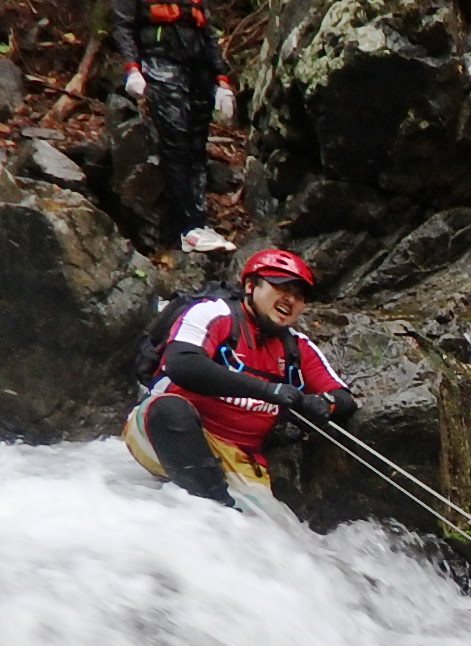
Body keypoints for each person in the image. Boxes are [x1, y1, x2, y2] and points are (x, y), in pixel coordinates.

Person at [123, 249, 353, 506]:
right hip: (164, 432)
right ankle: (216, 504)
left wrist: (325, 404)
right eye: (281, 288)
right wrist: (269, 391)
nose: (291, 299)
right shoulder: (214, 313)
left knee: (262, 529)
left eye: (299, 295)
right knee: (169, 411)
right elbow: (182, 364)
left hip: (239, 458)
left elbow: (344, 398)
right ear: (250, 286)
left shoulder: (298, 347)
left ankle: (221, 512)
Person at [111, 0, 239, 253]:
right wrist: (132, 69)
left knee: (196, 147)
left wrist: (221, 80)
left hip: (198, 71)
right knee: (176, 142)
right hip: (160, 64)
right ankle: (187, 227)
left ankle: (198, 224)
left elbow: (208, 34)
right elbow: (122, 26)